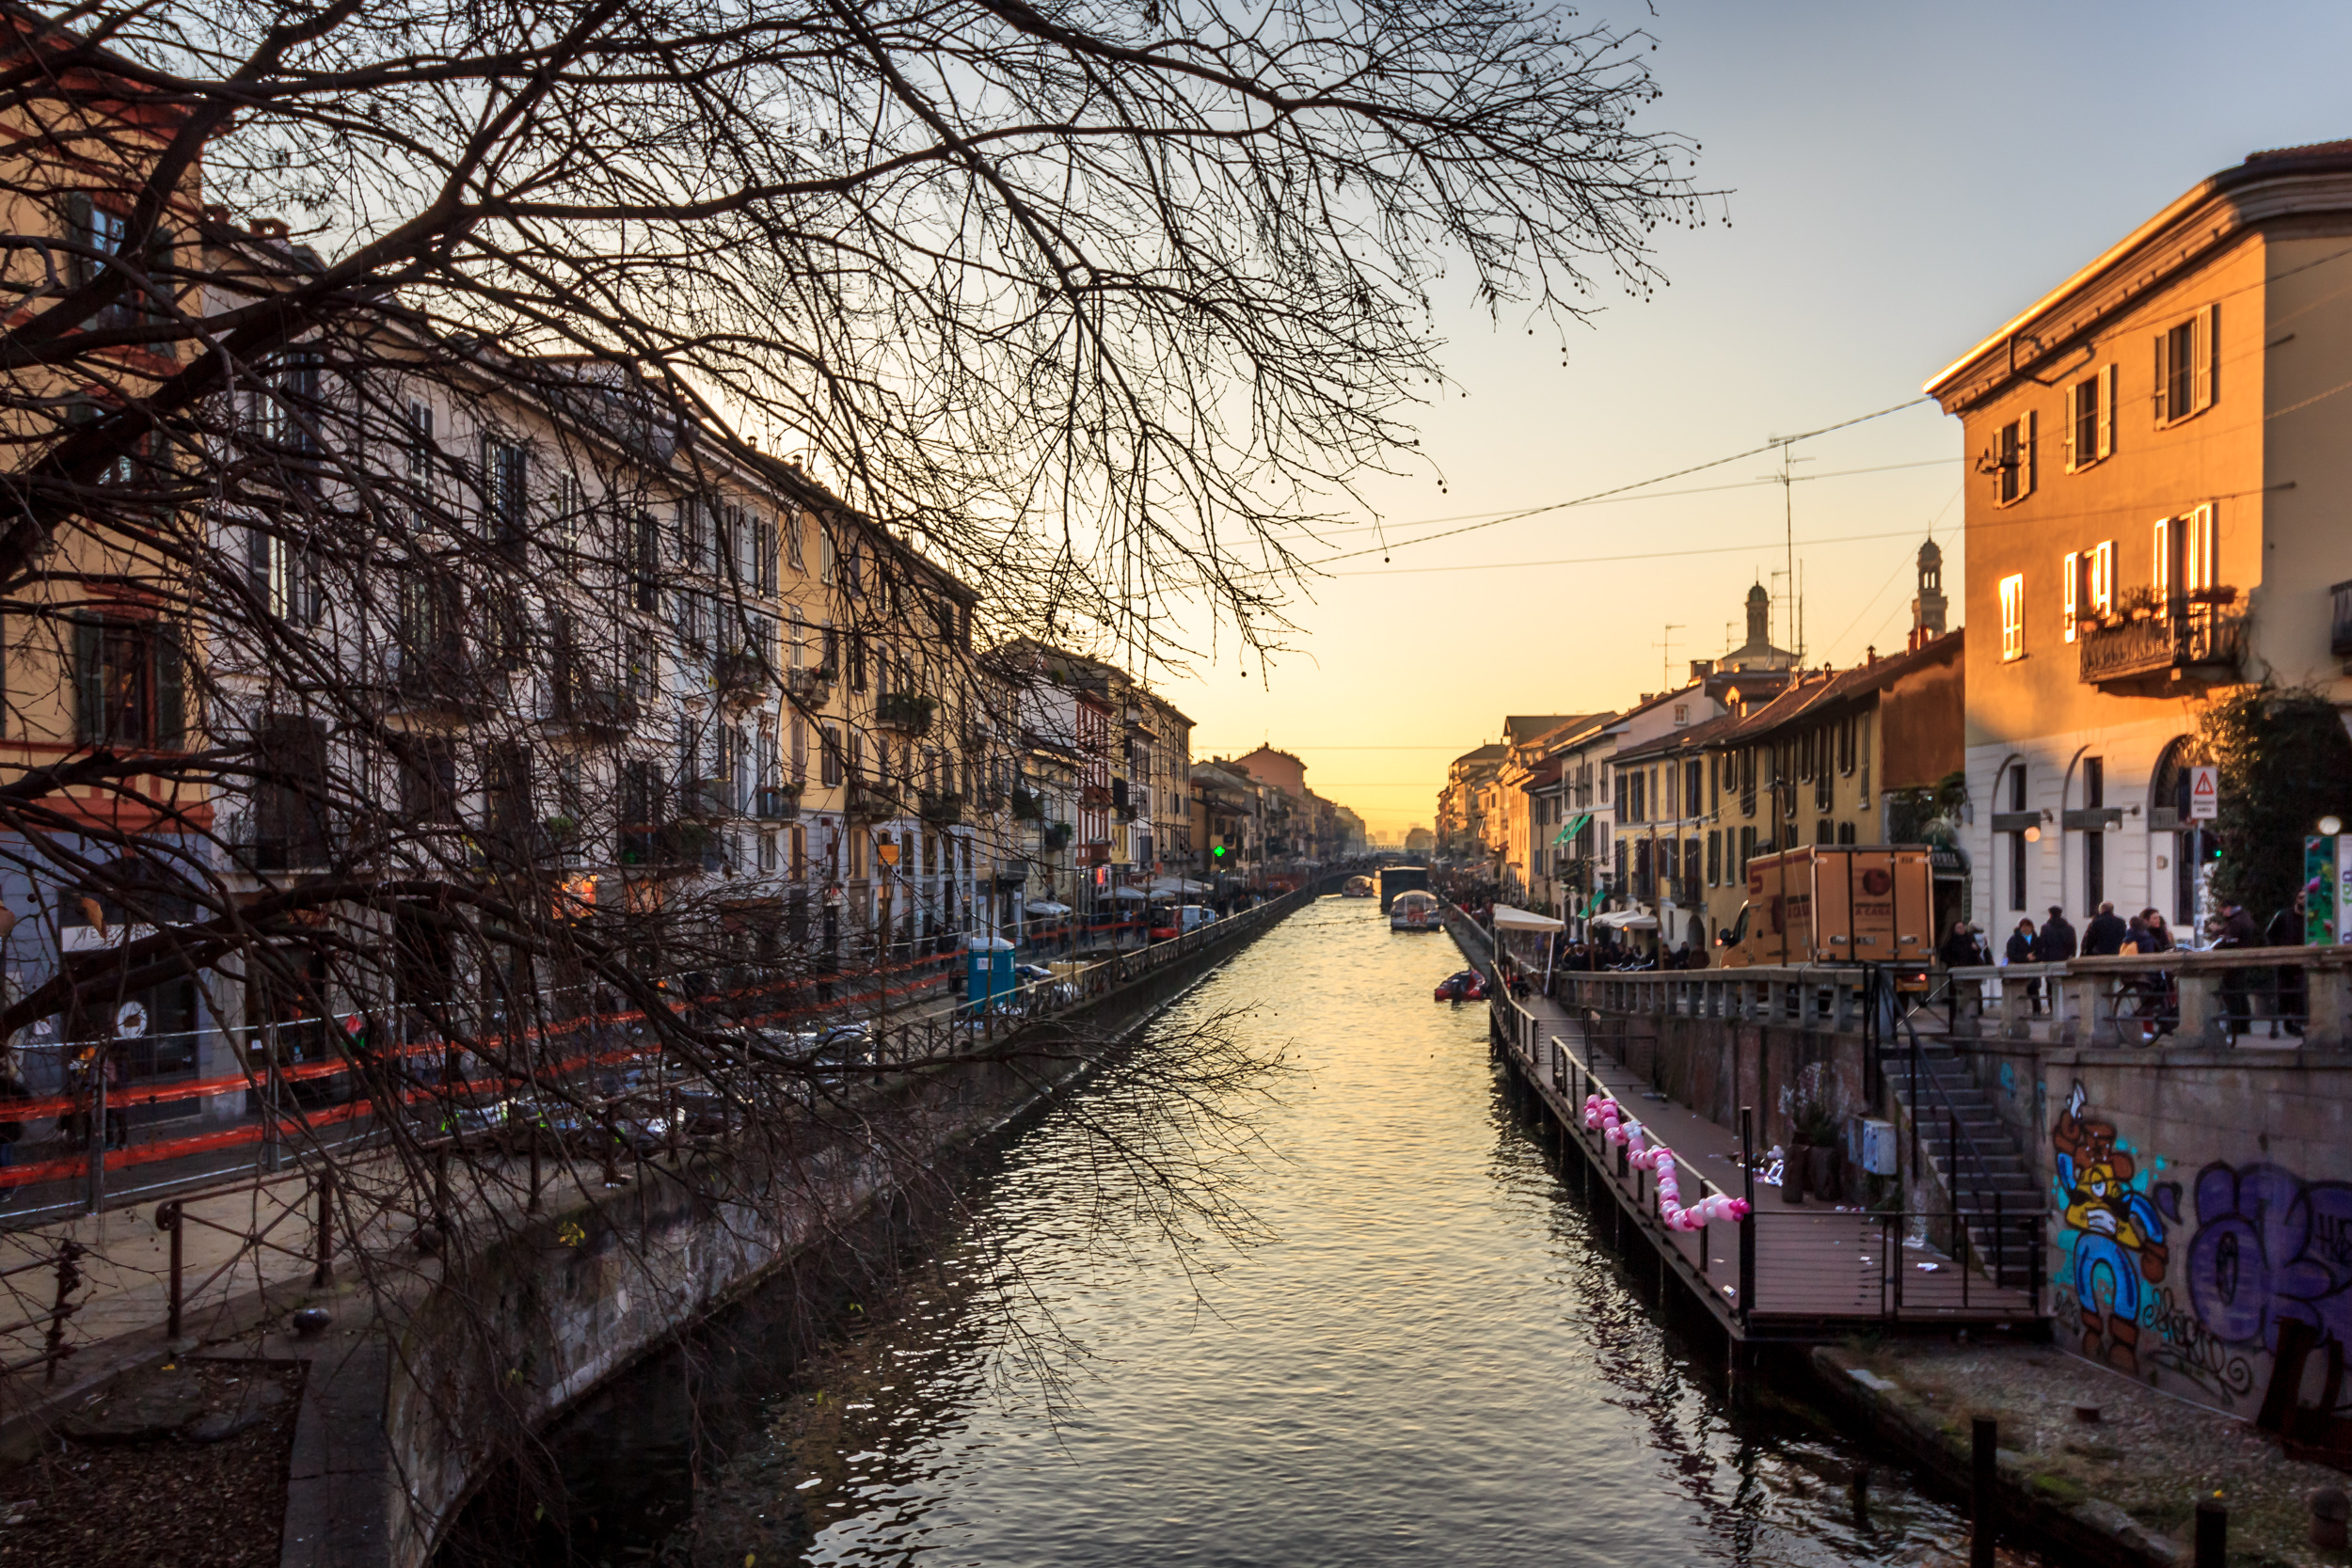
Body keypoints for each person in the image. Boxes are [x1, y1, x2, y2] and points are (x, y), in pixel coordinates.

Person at [2212, 898, 2260, 1037]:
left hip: (2233, 963)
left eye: (2223, 909)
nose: (2222, 912)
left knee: (2232, 994)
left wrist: (2217, 934)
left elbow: (2229, 941)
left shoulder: (2237, 921)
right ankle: (2243, 1025)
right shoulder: (2242, 918)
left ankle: (2236, 1026)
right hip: (2241, 962)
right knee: (2240, 993)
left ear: (2228, 908)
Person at [2005, 918, 2041, 1015]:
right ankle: (2019, 1013)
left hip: (2034, 969)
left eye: (2028, 926)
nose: (2026, 928)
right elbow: (2011, 955)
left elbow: (2041, 952)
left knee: (2034, 991)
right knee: (2019, 992)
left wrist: (2035, 957)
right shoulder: (2014, 940)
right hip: (2020, 970)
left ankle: (2037, 1012)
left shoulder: (2036, 939)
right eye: (2023, 926)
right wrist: (2025, 957)